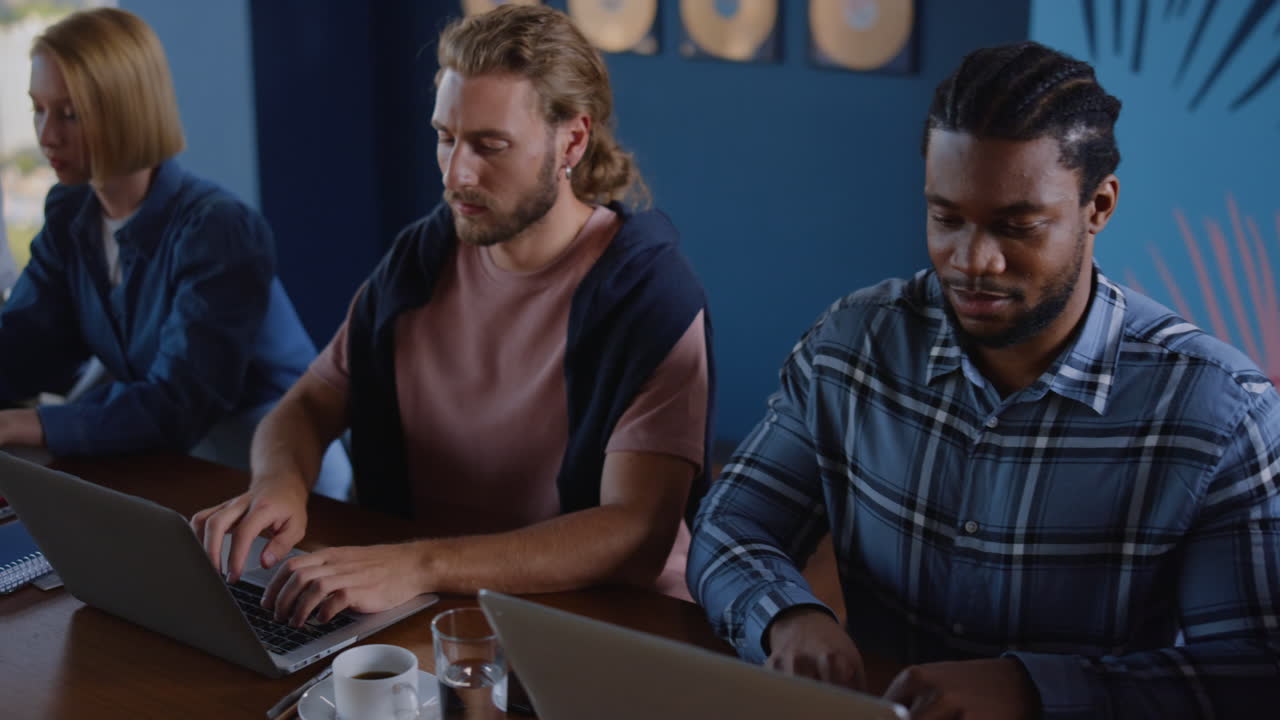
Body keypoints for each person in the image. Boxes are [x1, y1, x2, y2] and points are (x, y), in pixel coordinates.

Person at [688, 41, 1280, 719]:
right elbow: (730, 523)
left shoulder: (1219, 413)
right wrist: (785, 615)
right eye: (946, 218)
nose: (973, 261)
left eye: (1017, 226)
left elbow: (1254, 672)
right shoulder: (853, 345)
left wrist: (1032, 689)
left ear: (1098, 206)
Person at [193, 3, 713, 625]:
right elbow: (307, 405)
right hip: (427, 602)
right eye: (446, 138)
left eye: (490, 146)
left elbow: (636, 531)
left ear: (572, 140)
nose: (458, 173)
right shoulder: (423, 255)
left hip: (594, 621)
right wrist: (279, 482)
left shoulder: (647, 293)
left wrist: (420, 564)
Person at [0, 8, 346, 493]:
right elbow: (25, 345)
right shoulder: (71, 213)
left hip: (282, 472)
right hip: (175, 460)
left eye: (70, 114)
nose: (46, 135)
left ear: (126, 109)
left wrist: (22, 424)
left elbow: (179, 404)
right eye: (38, 109)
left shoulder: (219, 229)